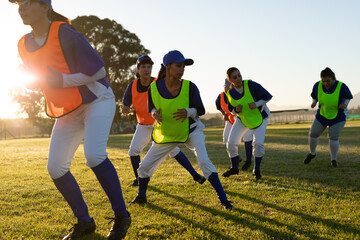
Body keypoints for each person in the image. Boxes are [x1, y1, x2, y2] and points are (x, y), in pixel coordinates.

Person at [12, 0, 130, 239]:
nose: (21, 8)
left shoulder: (64, 32)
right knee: (55, 168)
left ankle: (122, 215)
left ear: (45, 6)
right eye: (18, 4)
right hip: (68, 108)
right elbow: (43, 78)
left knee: (95, 156)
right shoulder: (23, 44)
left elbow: (99, 72)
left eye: (27, 2)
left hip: (96, 99)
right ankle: (84, 222)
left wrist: (62, 81)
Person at [129, 50, 234, 210]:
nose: (182, 69)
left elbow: (201, 109)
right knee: (143, 168)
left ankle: (224, 200)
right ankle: (141, 196)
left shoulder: (189, 86)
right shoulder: (154, 88)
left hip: (192, 131)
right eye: (178, 66)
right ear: (168, 67)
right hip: (168, 133)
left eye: (183, 66)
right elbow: (151, 108)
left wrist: (189, 111)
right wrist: (154, 113)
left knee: (204, 162)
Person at [122, 55, 206, 187]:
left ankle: (195, 175)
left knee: (174, 151)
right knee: (133, 150)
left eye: (149, 67)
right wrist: (125, 107)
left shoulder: (159, 82)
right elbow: (126, 102)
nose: (146, 69)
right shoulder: (132, 85)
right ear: (138, 69)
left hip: (161, 125)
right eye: (143, 67)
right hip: (143, 125)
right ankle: (138, 179)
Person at [224, 67, 272, 180]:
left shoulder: (251, 85)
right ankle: (234, 168)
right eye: (234, 77)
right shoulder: (230, 93)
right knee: (230, 143)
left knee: (258, 144)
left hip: (260, 117)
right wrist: (236, 110)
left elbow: (268, 97)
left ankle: (257, 170)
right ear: (230, 80)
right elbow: (231, 108)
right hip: (243, 119)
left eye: (239, 75)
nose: (238, 78)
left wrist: (256, 104)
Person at [304, 67, 353, 167]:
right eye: (323, 81)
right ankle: (312, 153)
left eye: (328, 81)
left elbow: (348, 97)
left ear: (333, 78)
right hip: (322, 114)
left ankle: (333, 160)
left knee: (333, 136)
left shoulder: (341, 86)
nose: (325, 83)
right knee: (313, 133)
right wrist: (314, 102)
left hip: (338, 115)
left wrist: (345, 104)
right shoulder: (317, 85)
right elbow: (315, 96)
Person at [215, 78, 254, 174]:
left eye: (230, 86)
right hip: (230, 120)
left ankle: (248, 161)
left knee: (247, 136)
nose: (227, 89)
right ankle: (236, 158)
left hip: (243, 119)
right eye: (226, 87)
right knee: (226, 138)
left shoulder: (239, 93)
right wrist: (223, 114)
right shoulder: (221, 96)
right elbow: (219, 106)